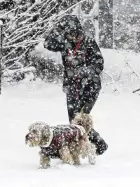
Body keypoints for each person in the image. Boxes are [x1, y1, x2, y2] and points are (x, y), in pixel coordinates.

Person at [44, 15, 108, 155]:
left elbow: (99, 64)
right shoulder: (64, 43)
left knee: (80, 120)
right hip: (72, 87)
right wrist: (58, 28)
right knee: (73, 121)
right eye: (69, 34)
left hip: (89, 87)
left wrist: (83, 71)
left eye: (74, 34)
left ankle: (98, 144)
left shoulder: (89, 42)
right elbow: (47, 44)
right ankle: (77, 146)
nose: (72, 37)